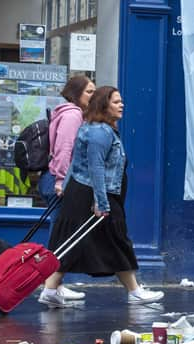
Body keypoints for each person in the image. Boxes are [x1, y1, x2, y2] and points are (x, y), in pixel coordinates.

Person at [38, 86, 164, 308]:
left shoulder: (94, 129)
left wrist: (66, 188)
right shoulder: (100, 133)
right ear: (103, 106)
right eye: (116, 102)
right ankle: (134, 291)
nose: (121, 105)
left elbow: (76, 162)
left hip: (85, 192)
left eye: (121, 101)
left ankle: (50, 290)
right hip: (95, 194)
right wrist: (101, 201)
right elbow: (95, 168)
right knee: (113, 240)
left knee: (76, 242)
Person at [37, 75, 95, 301]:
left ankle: (55, 286)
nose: (93, 96)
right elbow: (64, 150)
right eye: (89, 91)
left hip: (53, 179)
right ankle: (51, 287)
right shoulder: (73, 115)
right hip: (59, 181)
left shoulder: (66, 112)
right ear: (76, 92)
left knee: (60, 234)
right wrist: (62, 180)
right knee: (61, 236)